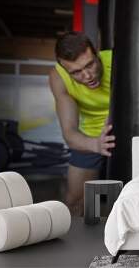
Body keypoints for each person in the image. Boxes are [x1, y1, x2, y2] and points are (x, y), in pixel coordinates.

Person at [49, 31, 115, 216]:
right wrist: (95, 144)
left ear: (96, 53)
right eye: (76, 72)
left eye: (90, 65)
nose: (87, 76)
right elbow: (69, 132)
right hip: (91, 137)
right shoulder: (58, 77)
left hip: (126, 130)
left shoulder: (116, 60)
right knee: (77, 201)